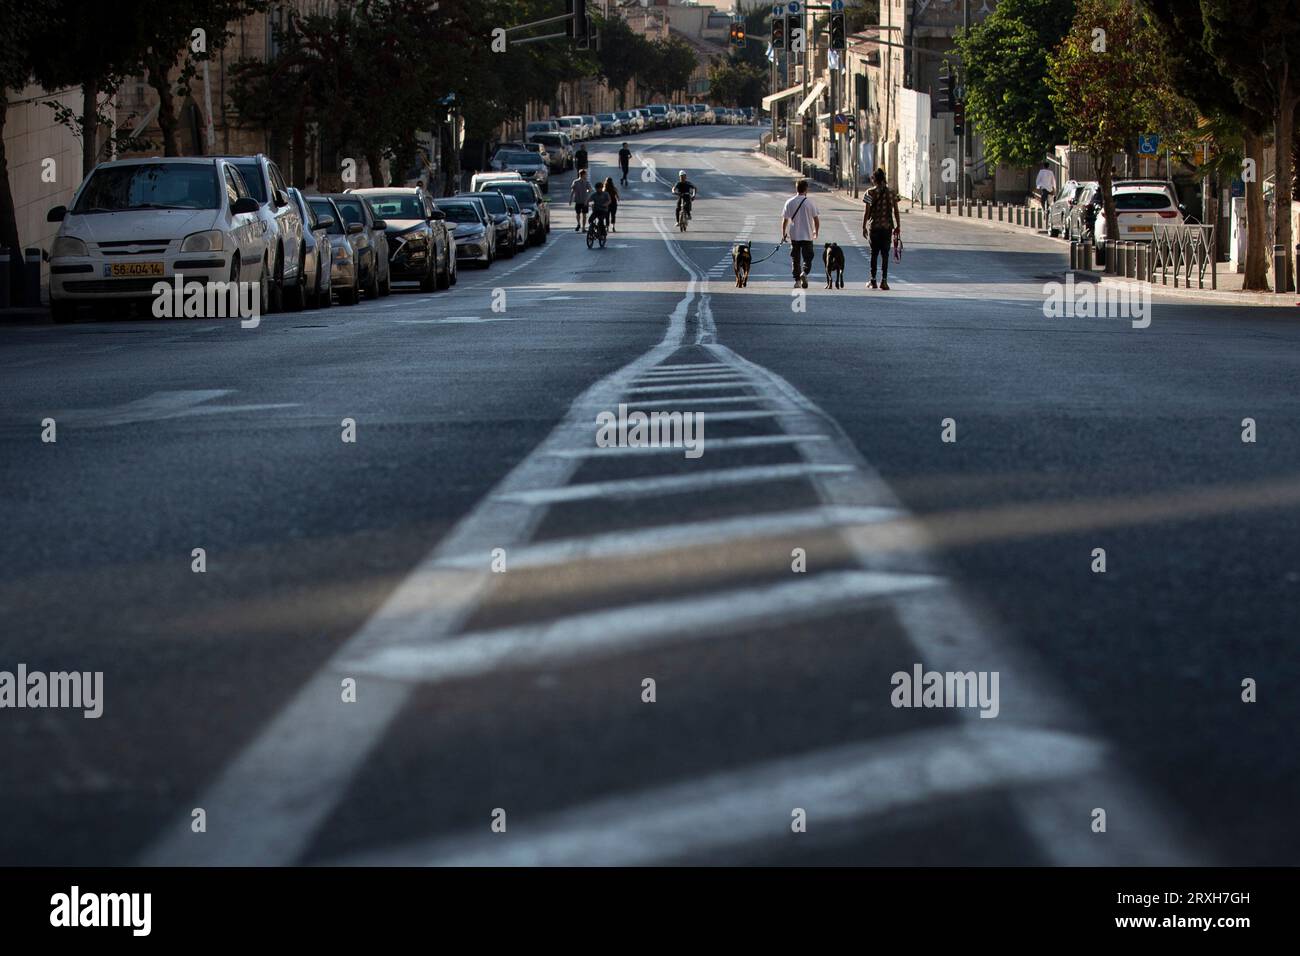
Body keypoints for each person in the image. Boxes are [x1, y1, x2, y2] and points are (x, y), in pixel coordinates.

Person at [861, 167, 900, 290]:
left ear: (874, 179)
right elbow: (896, 211)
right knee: (885, 254)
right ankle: (884, 281)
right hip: (887, 227)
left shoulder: (869, 192)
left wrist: (863, 226)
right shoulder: (892, 192)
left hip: (874, 227)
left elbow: (866, 212)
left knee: (874, 254)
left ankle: (873, 280)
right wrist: (898, 226)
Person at [781, 178, 820, 288]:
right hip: (807, 235)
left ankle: (797, 281)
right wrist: (816, 232)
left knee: (795, 258)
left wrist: (783, 233)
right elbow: (816, 220)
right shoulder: (810, 203)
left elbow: (785, 220)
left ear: (796, 188)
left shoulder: (789, 202)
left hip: (794, 235)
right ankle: (805, 273)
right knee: (808, 257)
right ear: (806, 189)